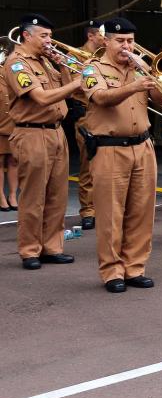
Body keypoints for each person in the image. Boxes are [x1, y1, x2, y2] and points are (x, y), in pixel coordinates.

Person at [81, 17, 160, 291]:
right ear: (106, 41)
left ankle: (134, 267)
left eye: (130, 41)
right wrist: (134, 86)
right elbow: (101, 98)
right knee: (111, 214)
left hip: (143, 145)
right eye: (120, 41)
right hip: (110, 148)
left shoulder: (139, 67)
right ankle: (112, 271)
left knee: (142, 211)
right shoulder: (92, 68)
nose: (127, 46)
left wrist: (158, 76)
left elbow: (161, 99)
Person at [3, 14, 80, 270]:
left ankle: (52, 247)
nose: (50, 41)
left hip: (56, 131)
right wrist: (80, 80)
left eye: (50, 36)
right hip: (32, 133)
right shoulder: (17, 64)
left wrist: (66, 68)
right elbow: (42, 98)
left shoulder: (45, 61)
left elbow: (70, 93)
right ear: (26, 35)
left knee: (57, 195)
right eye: (44, 36)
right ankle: (29, 250)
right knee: (34, 197)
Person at [74, 20, 105, 229]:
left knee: (108, 166)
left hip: (107, 114)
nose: (105, 38)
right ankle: (88, 210)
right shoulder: (76, 55)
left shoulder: (107, 54)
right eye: (102, 35)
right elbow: (74, 82)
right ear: (91, 36)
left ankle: (105, 208)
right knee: (88, 165)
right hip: (86, 113)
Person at [0, 70, 18, 212]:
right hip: (0, 123)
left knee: (14, 160)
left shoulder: (12, 70)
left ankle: (12, 195)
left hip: (14, 122)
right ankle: (1, 196)